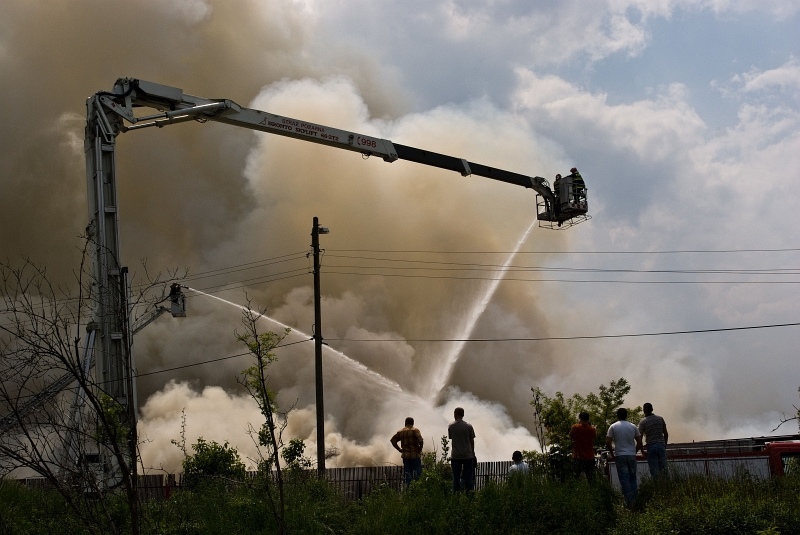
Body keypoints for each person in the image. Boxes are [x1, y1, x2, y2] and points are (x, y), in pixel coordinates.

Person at [606, 407, 643, 508]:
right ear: (626, 415)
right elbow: (639, 441)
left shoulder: (613, 426)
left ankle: (628, 503)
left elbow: (608, 442)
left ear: (617, 416)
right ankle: (635, 500)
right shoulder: (633, 426)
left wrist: (612, 453)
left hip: (620, 455)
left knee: (624, 480)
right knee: (633, 478)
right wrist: (635, 451)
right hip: (631, 455)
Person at [448, 407, 476, 492]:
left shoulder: (451, 426)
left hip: (455, 455)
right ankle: (469, 494)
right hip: (467, 455)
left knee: (456, 476)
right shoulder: (468, 426)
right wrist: (473, 453)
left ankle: (456, 494)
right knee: (468, 476)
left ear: (455, 414)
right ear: (463, 415)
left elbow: (451, 438)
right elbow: (472, 441)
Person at [390, 416, 424, 486]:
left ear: (405, 423)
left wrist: (399, 449)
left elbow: (393, 441)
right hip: (415, 456)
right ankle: (418, 489)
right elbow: (420, 441)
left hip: (406, 457)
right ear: (413, 423)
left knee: (408, 475)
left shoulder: (401, 432)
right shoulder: (415, 430)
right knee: (418, 474)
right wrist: (420, 449)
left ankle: (409, 489)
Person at [638, 402, 669, 478]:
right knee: (664, 469)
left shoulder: (643, 422)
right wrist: (664, 445)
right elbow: (666, 433)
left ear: (644, 410)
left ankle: (657, 487)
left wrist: (642, 451)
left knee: (655, 472)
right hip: (661, 446)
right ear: (652, 409)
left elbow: (639, 438)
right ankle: (667, 487)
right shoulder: (660, 419)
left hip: (651, 447)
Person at [569, 411, 597, 480]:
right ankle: (592, 490)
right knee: (590, 477)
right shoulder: (592, 429)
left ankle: (575, 490)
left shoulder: (575, 428)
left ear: (580, 418)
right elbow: (594, 437)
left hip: (578, 457)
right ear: (588, 419)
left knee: (576, 477)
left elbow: (570, 435)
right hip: (589, 457)